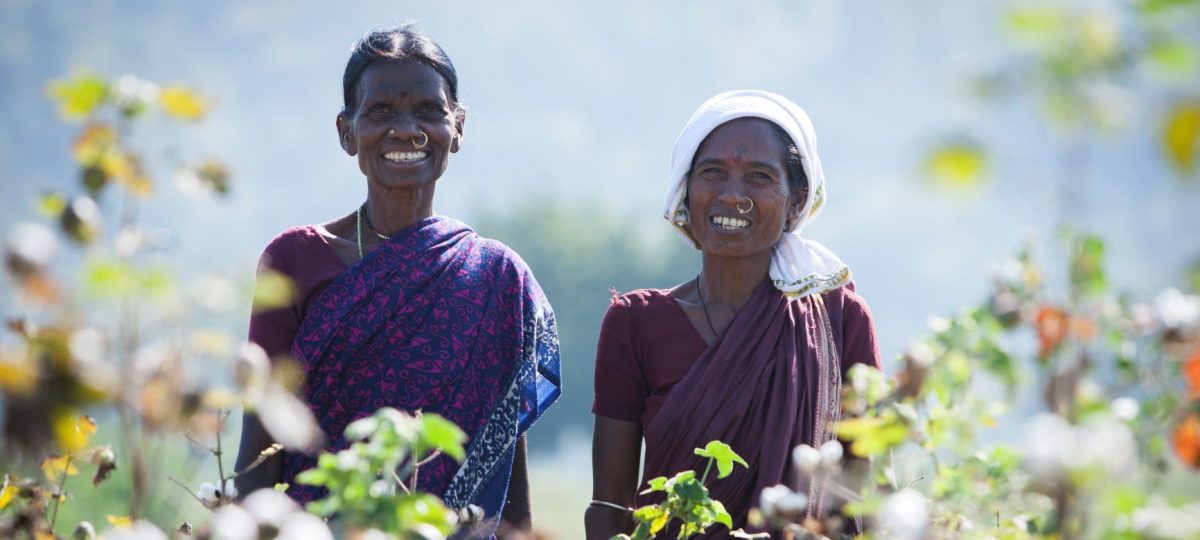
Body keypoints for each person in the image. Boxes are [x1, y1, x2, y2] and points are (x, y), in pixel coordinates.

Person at [233, 26, 561, 537]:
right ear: (347, 132)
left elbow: (504, 471)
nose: (406, 130)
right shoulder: (295, 260)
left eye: (429, 111)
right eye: (381, 112)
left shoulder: (498, 278)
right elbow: (258, 454)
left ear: (459, 125)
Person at [586, 90, 881, 539]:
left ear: (797, 203)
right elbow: (609, 508)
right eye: (713, 173)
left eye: (759, 177)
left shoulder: (839, 321)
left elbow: (863, 496)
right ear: (685, 190)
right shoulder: (635, 324)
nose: (732, 195)